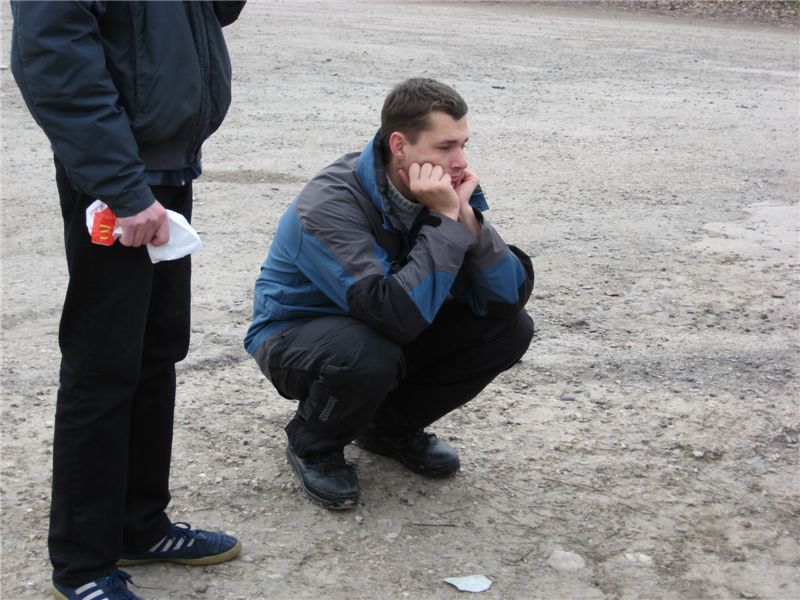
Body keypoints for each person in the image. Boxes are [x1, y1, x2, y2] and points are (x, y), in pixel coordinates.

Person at [10, 2, 246, 598]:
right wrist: (121, 186)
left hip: (166, 167)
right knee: (103, 364)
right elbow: (54, 61)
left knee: (155, 351)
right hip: (115, 179)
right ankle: (83, 562)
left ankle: (138, 525)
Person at [244, 78, 535, 510]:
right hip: (295, 334)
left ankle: (387, 429)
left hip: (382, 322)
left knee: (509, 330)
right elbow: (393, 314)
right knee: (367, 354)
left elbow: (506, 299)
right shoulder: (330, 202)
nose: (460, 162)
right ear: (399, 145)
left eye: (463, 145)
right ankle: (313, 443)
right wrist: (444, 221)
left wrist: (468, 220)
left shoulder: (438, 191)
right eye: (445, 147)